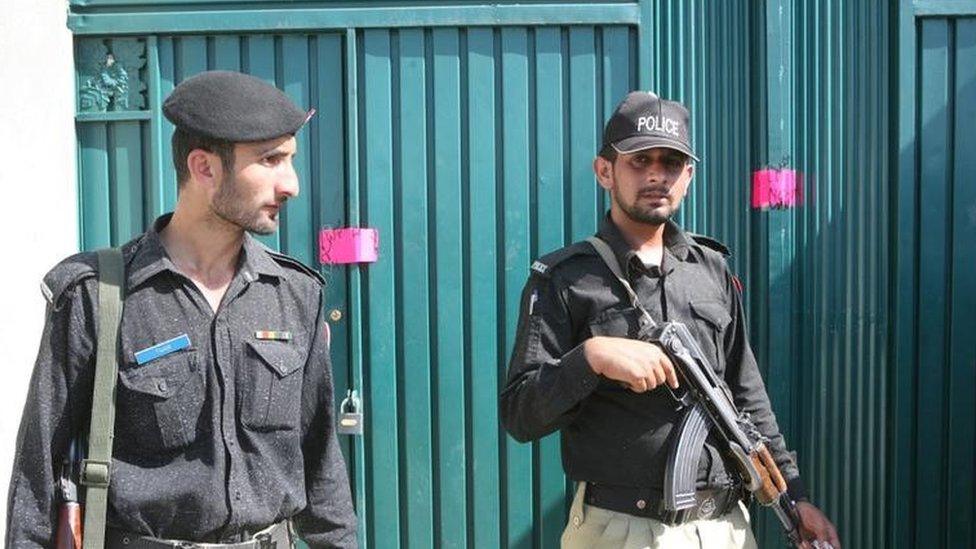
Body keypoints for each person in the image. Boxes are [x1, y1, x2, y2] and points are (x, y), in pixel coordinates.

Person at [6, 71, 356, 547]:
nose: (290, 184)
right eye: (271, 160)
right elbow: (36, 476)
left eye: (290, 160)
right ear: (205, 168)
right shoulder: (97, 296)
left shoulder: (296, 295)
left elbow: (321, 468)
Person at [499, 91, 840, 549]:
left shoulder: (711, 269)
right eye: (639, 161)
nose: (657, 174)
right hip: (619, 531)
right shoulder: (566, 278)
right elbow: (520, 414)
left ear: (689, 176)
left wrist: (795, 498)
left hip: (721, 528)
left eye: (671, 162)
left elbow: (746, 395)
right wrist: (592, 358)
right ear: (605, 171)